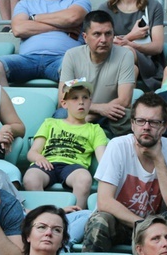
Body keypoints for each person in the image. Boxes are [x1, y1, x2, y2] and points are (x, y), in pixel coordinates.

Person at [83, 92, 167, 255]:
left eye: (153, 122)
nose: (146, 127)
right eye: (140, 121)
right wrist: (142, 225)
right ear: (132, 124)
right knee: (100, 220)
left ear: (164, 126)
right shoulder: (118, 146)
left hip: (158, 226)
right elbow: (104, 202)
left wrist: (158, 159)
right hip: (122, 222)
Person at [24, 80, 108, 208]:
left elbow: (102, 159)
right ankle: (42, 216)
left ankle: (76, 215)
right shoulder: (50, 123)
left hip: (73, 167)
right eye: (74, 98)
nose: (81, 102)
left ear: (90, 102)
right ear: (64, 104)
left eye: (85, 98)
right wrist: (39, 158)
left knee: (84, 178)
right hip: (47, 163)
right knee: (31, 178)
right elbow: (32, 152)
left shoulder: (94, 129)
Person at [59, 10, 136, 136]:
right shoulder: (72, 55)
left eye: (108, 34)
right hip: (81, 111)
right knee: (61, 114)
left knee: (129, 116)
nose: (103, 40)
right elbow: (64, 98)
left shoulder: (125, 55)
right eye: (97, 34)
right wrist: (99, 109)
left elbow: (125, 100)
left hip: (109, 114)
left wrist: (94, 115)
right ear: (85, 37)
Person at [98, 0, 166, 91]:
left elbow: (158, 47)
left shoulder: (153, 6)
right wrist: (131, 36)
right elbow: (100, 42)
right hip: (114, 60)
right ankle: (123, 108)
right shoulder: (105, 9)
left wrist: (130, 44)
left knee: (128, 51)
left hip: (148, 61)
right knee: (131, 69)